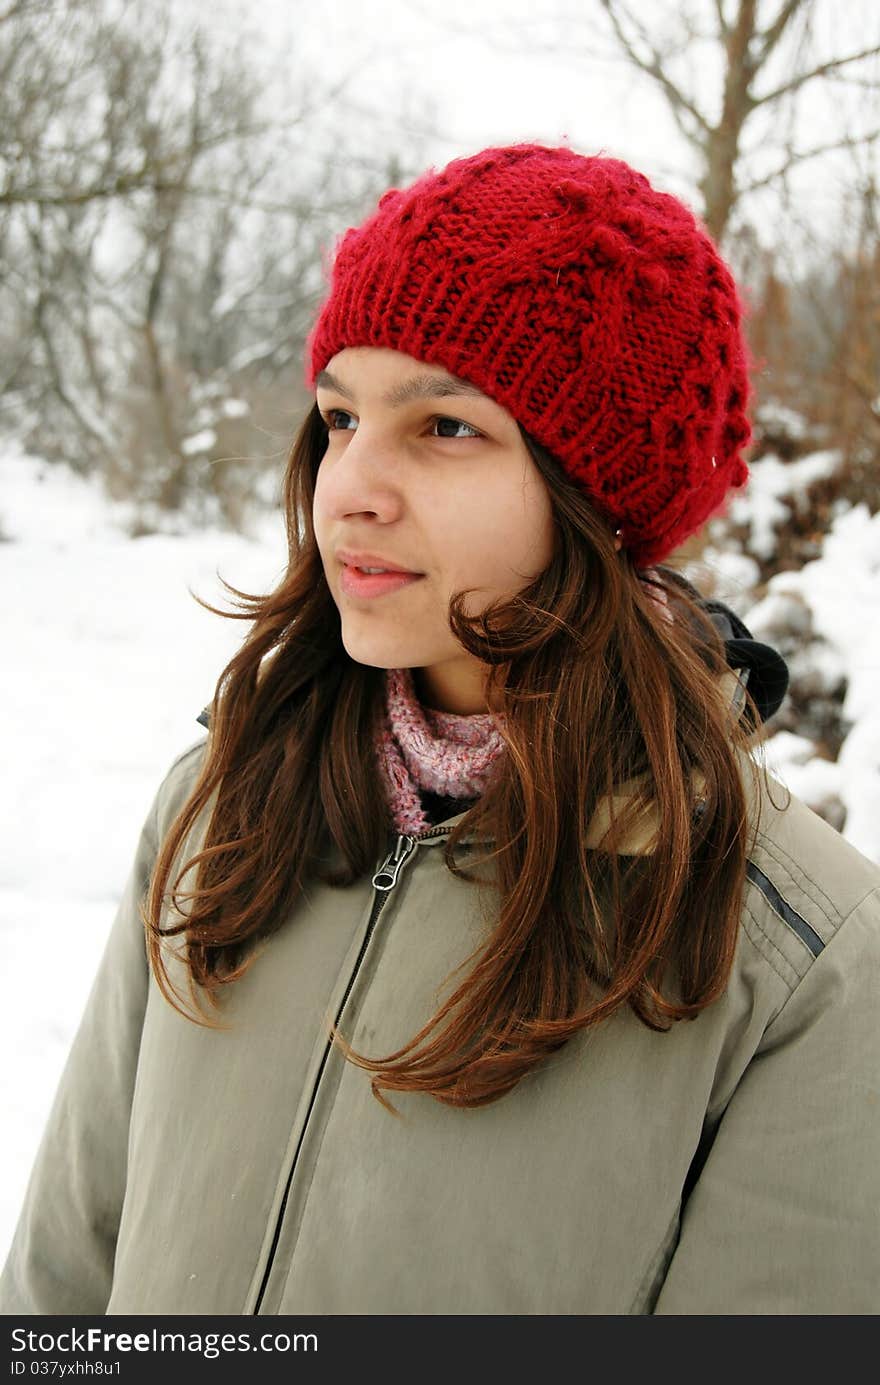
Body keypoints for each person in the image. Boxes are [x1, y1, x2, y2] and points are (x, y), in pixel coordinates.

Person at [2, 142, 879, 1318]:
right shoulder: (221, 799)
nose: (348, 483)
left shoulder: (793, 957)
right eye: (340, 415)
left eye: (445, 427)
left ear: (597, 494)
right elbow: (63, 1276)